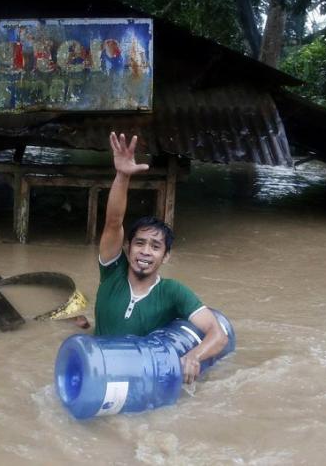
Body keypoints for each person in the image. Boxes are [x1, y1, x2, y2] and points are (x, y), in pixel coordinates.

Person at [94, 132, 228, 384]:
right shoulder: (112, 272)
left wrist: (194, 356)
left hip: (135, 378)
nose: (145, 251)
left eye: (155, 247)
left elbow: (218, 335)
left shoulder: (172, 292)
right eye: (140, 243)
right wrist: (122, 176)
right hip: (97, 368)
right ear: (129, 247)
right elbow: (113, 222)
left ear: (166, 257)